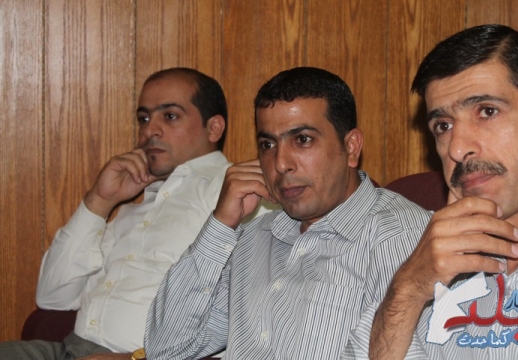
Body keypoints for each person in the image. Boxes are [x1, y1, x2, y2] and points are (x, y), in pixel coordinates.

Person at [144, 66, 432, 359]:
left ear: (351, 147)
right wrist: (220, 225)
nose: (280, 163)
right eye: (268, 144)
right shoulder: (254, 238)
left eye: (302, 139)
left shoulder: (402, 236)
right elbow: (166, 350)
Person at [370, 24, 518, 359]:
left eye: (487, 111)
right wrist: (408, 290)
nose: (457, 148)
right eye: (443, 126)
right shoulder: (421, 259)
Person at [0, 67, 232, 359]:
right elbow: (53, 297)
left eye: (170, 116)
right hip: (67, 349)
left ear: (213, 128)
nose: (149, 131)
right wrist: (100, 201)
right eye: (143, 118)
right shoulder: (136, 206)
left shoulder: (236, 197)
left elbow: (254, 321)